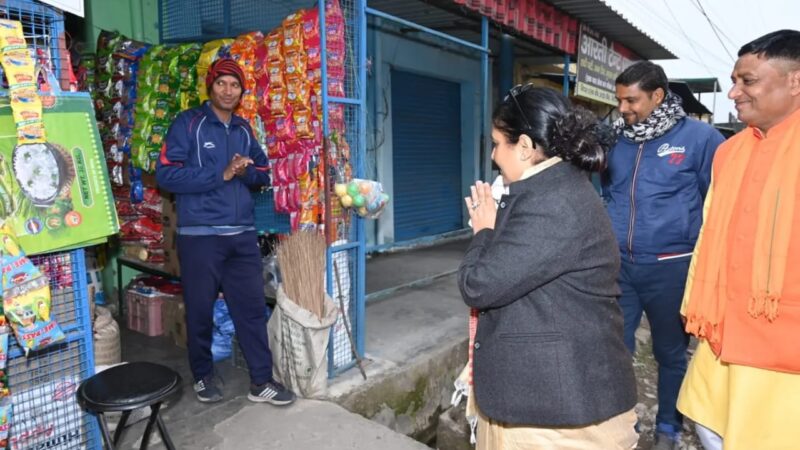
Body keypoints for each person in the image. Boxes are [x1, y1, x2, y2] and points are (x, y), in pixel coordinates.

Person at [458, 85, 638, 449]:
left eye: (497, 143)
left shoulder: (553, 204)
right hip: (550, 396)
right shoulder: (551, 188)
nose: (494, 156)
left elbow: (478, 284)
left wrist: (484, 231)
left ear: (524, 146)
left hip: (557, 408)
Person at [677, 29, 800, 450]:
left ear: (794, 82)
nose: (733, 93)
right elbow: (709, 234)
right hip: (720, 340)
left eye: (747, 81)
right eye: (734, 80)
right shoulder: (728, 153)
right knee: (713, 430)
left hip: (786, 358)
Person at [156, 58, 295, 406]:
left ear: (241, 91)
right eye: (222, 84)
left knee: (250, 310)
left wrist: (246, 171)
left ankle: (261, 381)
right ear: (211, 86)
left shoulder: (244, 130)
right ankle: (203, 375)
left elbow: (263, 174)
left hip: (242, 236)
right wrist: (222, 175)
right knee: (200, 309)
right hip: (200, 236)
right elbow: (166, 175)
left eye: (235, 85)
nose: (228, 91)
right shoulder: (188, 124)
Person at [602, 61, 725, 448]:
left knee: (670, 352)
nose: (623, 108)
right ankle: (622, 422)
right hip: (619, 267)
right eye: (619, 99)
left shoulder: (701, 138)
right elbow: (605, 195)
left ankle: (669, 428)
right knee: (614, 348)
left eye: (631, 100)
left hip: (672, 268)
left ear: (657, 96)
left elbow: (716, 203)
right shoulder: (614, 139)